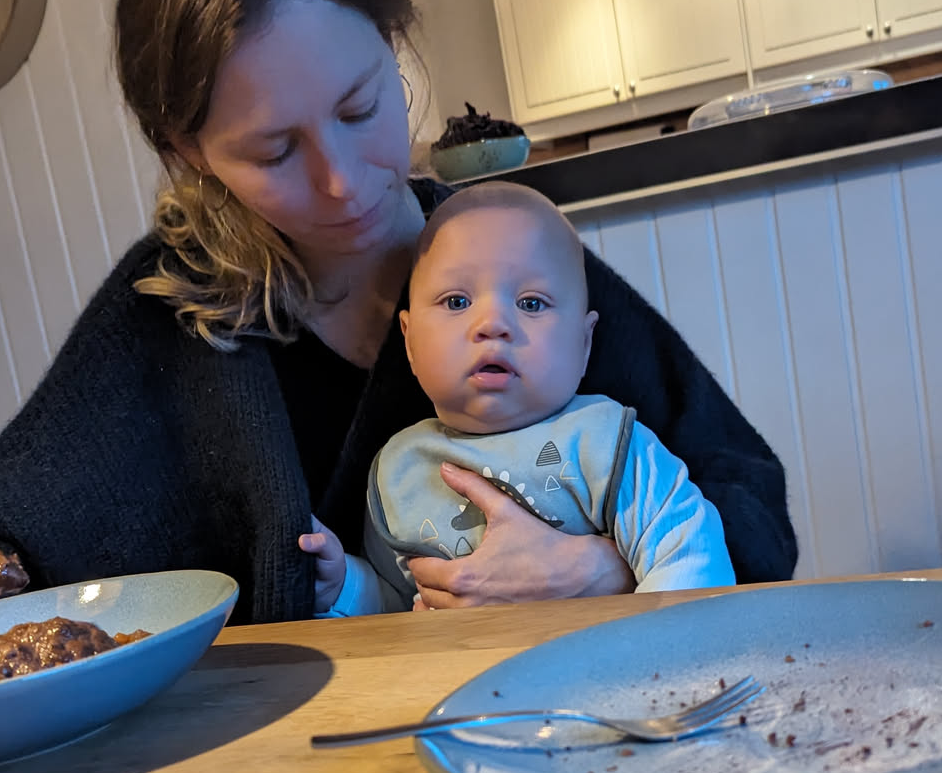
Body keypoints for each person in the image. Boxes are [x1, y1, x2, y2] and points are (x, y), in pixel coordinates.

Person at [0, 0, 795, 665]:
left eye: (361, 107)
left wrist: (603, 570)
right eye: (273, 152)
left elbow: (749, 502)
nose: (345, 182)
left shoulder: (512, 261)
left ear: (391, 45)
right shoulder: (177, 313)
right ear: (187, 151)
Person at [304, 182, 734, 614]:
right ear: (409, 341)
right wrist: (345, 588)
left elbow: (689, 557)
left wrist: (650, 650)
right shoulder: (400, 468)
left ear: (584, 343)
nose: (493, 323)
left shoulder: (605, 443)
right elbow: (398, 601)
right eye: (457, 301)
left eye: (531, 304)